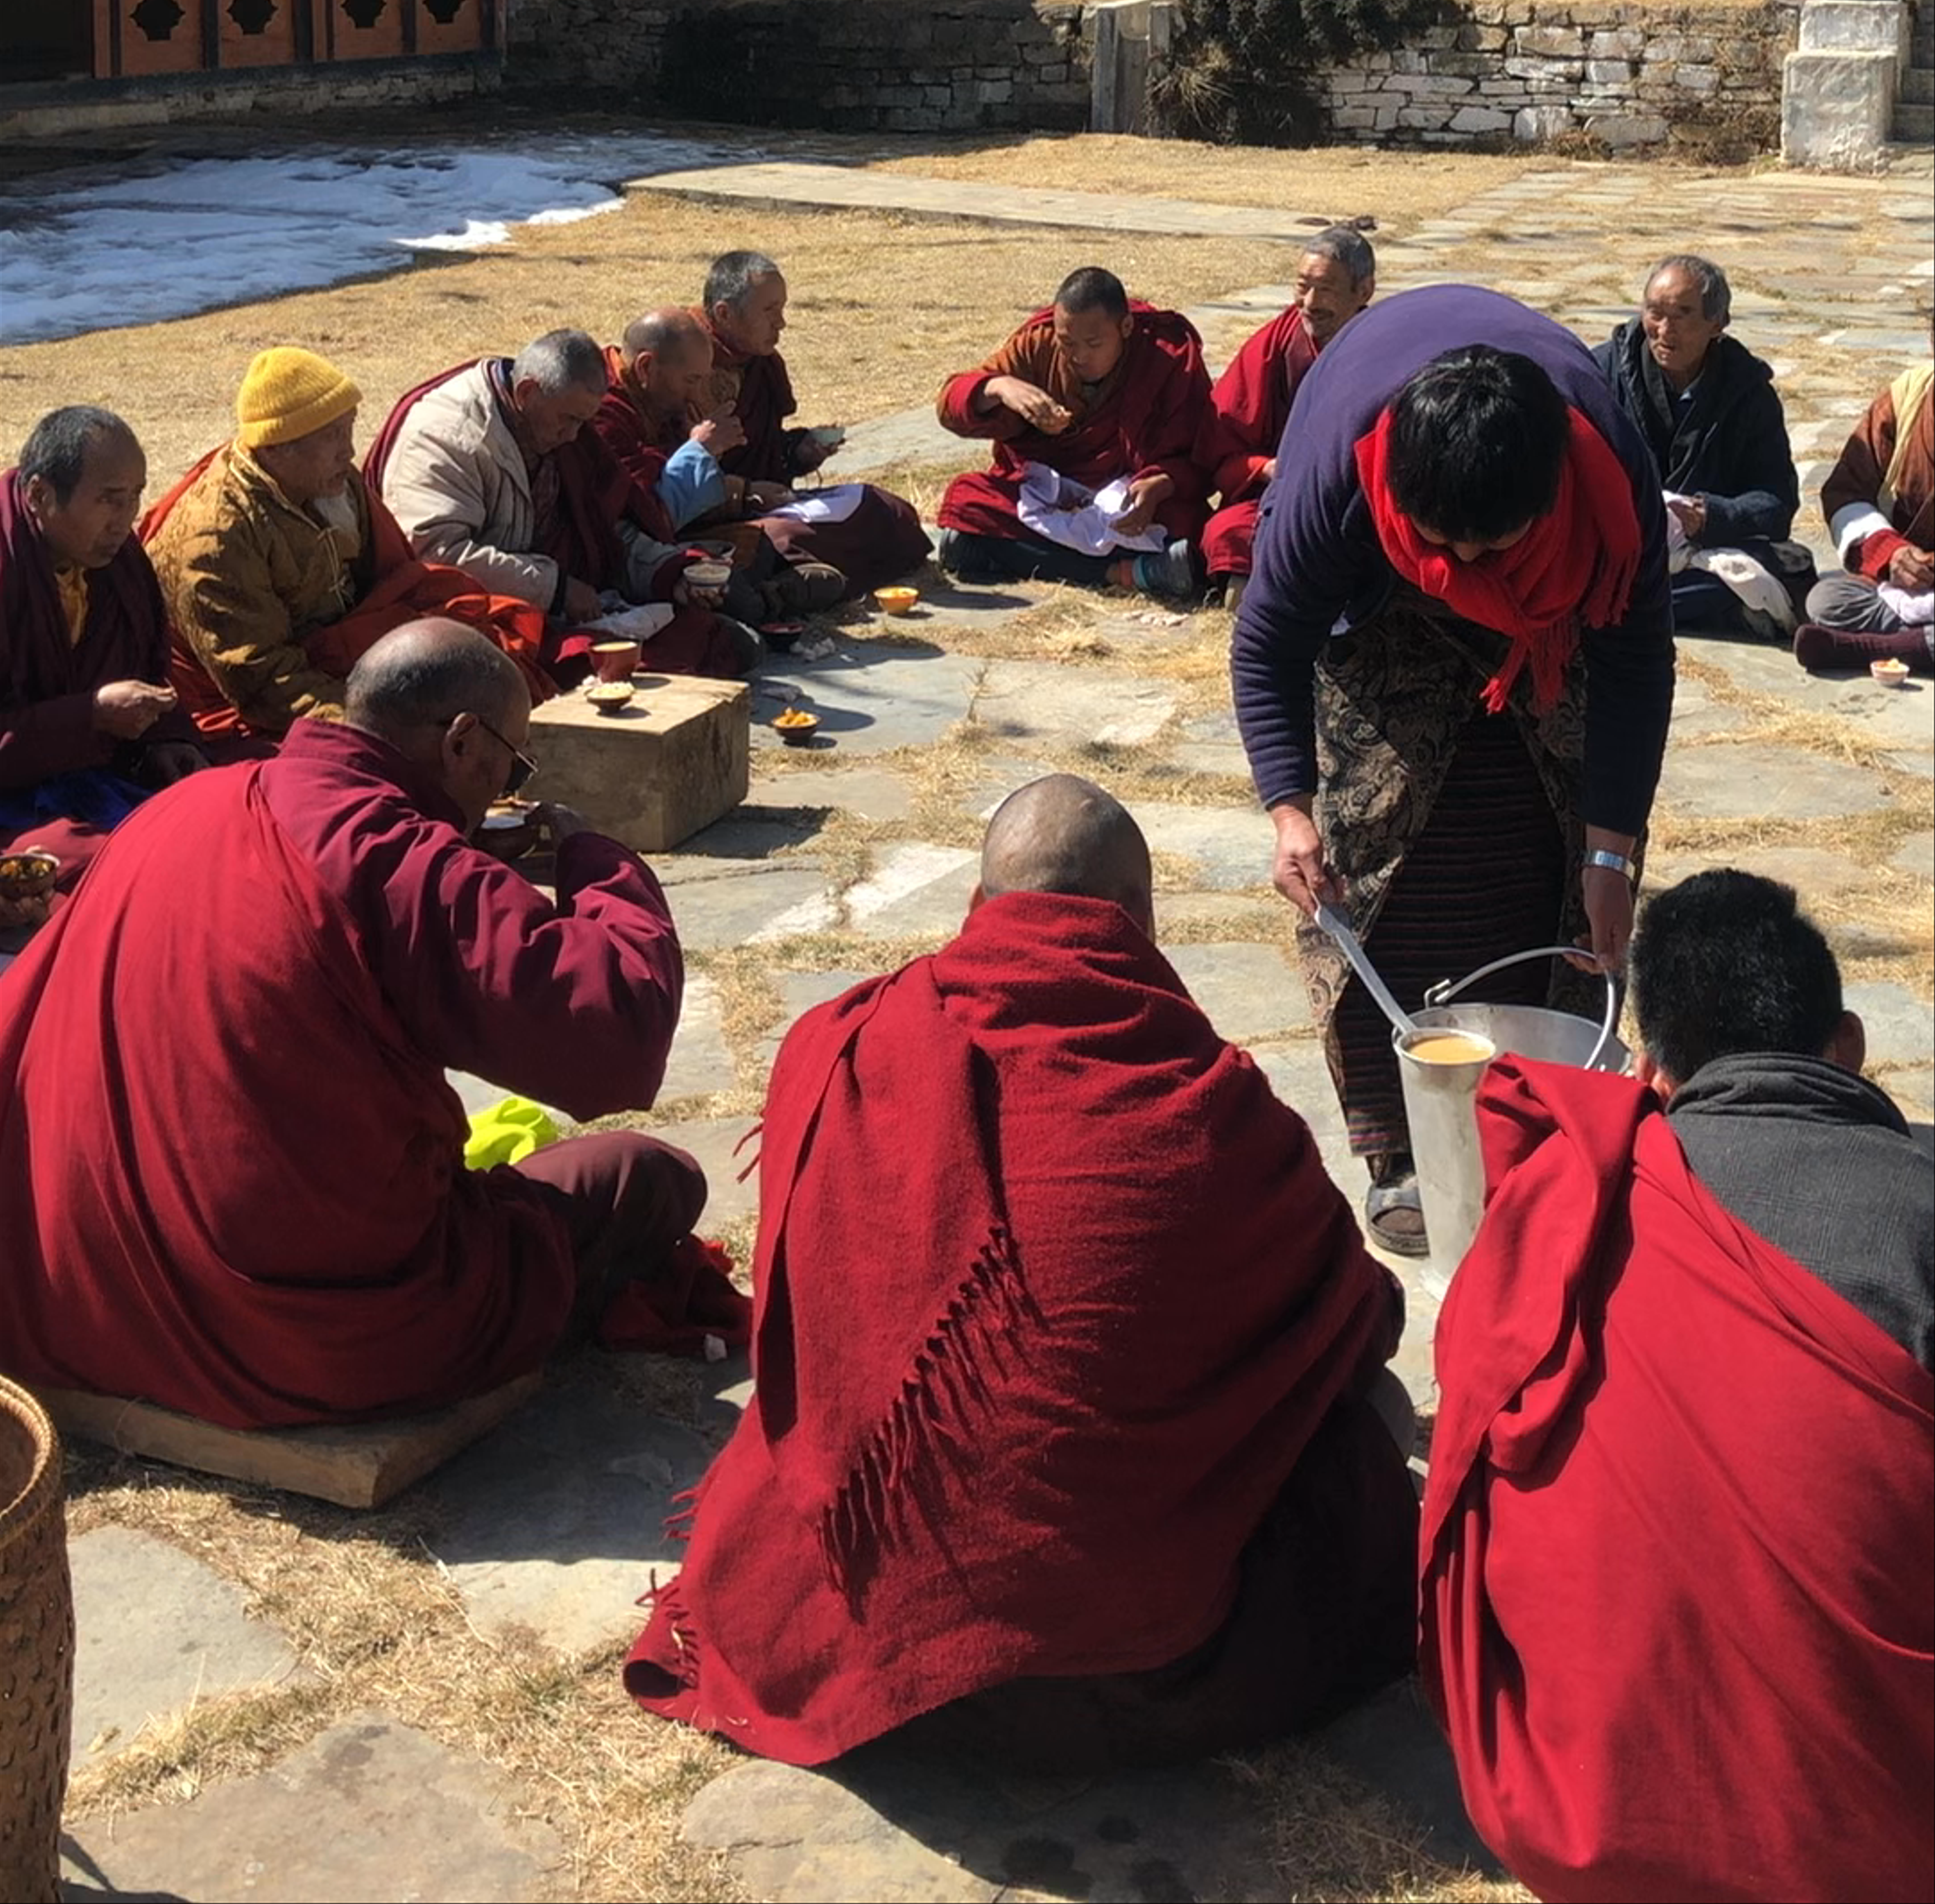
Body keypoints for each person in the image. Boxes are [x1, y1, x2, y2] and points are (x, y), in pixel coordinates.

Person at [625, 774, 1417, 1770]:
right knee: (1366, 1436)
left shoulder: (842, 1042)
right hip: (1125, 1674)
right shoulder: (1216, 1108)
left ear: (978, 906)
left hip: (856, 1638)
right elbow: (1352, 1320)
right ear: (1142, 923)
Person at [0, 621, 711, 1426]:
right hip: (292, 1333)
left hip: (64, 1284)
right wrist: (596, 858)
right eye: (511, 764)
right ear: (463, 741)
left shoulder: (189, 800)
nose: (503, 783)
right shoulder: (399, 857)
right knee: (648, 1175)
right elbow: (617, 1033)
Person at [1422, 870, 1932, 1904]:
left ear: (1651, 1072)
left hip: (1591, 1814)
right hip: (1887, 1840)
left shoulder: (1559, 1206)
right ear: (1850, 1045)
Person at [1232, 285, 1672, 1255]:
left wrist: (1611, 855)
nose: (1468, 559)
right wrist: (1291, 812)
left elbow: (1638, 661)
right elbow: (1269, 640)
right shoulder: (1343, 478)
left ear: (1550, 497)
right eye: (1447, 541)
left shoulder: (1607, 485)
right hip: (1380, 607)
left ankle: (1536, 1122)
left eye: (1492, 543)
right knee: (1375, 860)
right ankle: (1402, 1147)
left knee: (1535, 839)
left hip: (1550, 627)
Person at [144, 345, 544, 748]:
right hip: (264, 698)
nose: (349, 451)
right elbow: (260, 680)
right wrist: (370, 725)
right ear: (275, 448)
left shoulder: (332, 479)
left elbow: (391, 578)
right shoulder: (217, 539)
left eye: (348, 429)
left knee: (478, 661)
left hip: (344, 655)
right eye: (332, 436)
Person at [367, 329, 747, 678]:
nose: (574, 436)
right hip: (467, 614)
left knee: (707, 639)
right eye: (567, 420)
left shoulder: (559, 430)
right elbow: (435, 556)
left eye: (583, 422)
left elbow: (604, 526)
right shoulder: (450, 437)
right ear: (527, 393)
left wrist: (668, 571)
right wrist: (556, 589)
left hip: (555, 605)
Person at [1, 406, 204, 881]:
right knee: (104, 864)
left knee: (230, 800)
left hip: (90, 770)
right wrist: (89, 714)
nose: (126, 519)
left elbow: (148, 668)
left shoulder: (117, 558)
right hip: (14, 798)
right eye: (110, 499)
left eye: (135, 497)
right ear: (39, 495)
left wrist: (163, 738)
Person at [935, 266, 1216, 600]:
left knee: (1189, 522)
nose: (1078, 356)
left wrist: (1160, 484)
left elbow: (1203, 450)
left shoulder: (1166, 354)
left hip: (1126, 501)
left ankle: (997, 552)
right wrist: (998, 387)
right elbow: (950, 403)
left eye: (1093, 343)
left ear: (1126, 327)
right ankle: (1132, 572)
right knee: (970, 498)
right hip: (1049, 496)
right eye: (1067, 342)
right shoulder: (1038, 346)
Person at [1594, 253, 1810, 638]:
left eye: (1681, 314)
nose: (1663, 329)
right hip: (1622, 545)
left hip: (1700, 551)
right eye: (1654, 312)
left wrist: (1713, 515)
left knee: (1789, 565)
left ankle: (1624, 604)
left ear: (1717, 324)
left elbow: (1777, 499)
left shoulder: (1748, 393)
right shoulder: (1604, 372)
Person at [592, 310, 846, 634]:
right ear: (645, 367)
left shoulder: (656, 396)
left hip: (674, 541)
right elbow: (647, 512)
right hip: (627, 555)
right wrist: (699, 450)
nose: (696, 395)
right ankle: (768, 602)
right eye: (691, 381)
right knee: (726, 596)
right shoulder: (603, 411)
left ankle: (764, 593)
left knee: (758, 546)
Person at [701, 250, 929, 596]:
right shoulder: (690, 365)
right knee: (778, 539)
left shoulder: (760, 362)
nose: (782, 323)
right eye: (769, 311)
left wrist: (799, 451)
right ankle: (782, 589)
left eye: (782, 309)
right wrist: (744, 494)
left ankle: (802, 578)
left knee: (884, 507)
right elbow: (670, 478)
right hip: (716, 521)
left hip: (770, 505)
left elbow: (764, 449)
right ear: (724, 314)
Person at [1203, 230, 1376, 600]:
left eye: (1326, 288)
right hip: (1282, 498)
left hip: (1355, 502)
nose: (1311, 303)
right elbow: (1223, 443)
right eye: (1302, 286)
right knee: (1227, 529)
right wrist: (1268, 468)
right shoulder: (1275, 343)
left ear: (1364, 291)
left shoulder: (1383, 346)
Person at [1795, 334, 1934, 675]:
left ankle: (1883, 649)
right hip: (1910, 587)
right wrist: (1891, 555)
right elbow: (1846, 491)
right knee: (1826, 600)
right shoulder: (1908, 399)